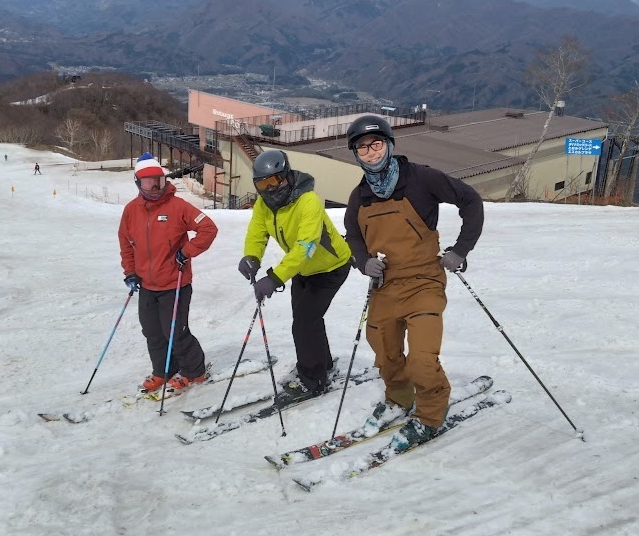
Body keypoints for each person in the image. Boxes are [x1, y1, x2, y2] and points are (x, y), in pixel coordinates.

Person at [343, 115, 484, 452]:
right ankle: (399, 398)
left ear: (389, 144)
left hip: (424, 282)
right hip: (386, 286)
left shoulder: (421, 178)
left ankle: (431, 414)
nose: (371, 152)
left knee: (421, 359)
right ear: (356, 154)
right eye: (363, 148)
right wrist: (363, 261)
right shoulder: (360, 195)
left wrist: (460, 250)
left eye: (376, 144)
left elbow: (470, 200)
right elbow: (353, 236)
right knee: (385, 351)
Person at [239, 149, 352, 396]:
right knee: (306, 319)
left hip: (330, 267)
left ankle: (312, 379)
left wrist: (275, 278)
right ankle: (323, 365)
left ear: (287, 176)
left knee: (304, 322)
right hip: (302, 268)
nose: (270, 189)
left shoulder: (308, 201)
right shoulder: (264, 204)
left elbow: (306, 246)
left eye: (274, 181)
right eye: (262, 184)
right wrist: (251, 256)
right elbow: (257, 232)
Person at [118, 152, 218, 393]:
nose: (155, 186)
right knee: (152, 332)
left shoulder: (178, 206)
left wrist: (186, 251)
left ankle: (194, 371)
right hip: (146, 284)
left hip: (175, 283)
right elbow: (126, 243)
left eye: (159, 180)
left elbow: (208, 228)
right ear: (138, 183)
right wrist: (130, 272)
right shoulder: (131, 210)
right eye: (148, 182)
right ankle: (164, 370)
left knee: (175, 332)